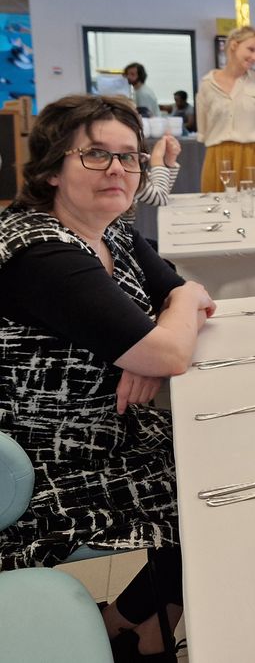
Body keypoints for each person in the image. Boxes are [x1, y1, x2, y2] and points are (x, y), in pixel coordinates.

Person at [0, 94, 215, 657]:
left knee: (231, 454)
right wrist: (150, 344)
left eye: (130, 156)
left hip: (112, 429)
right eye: (96, 154)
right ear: (52, 169)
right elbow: (172, 346)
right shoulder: (39, 252)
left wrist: (154, 333)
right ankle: (141, 631)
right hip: (54, 460)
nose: (118, 169)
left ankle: (131, 625)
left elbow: (183, 291)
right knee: (221, 489)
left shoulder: (111, 231)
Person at [195, 25, 255, 193]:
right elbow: (203, 128)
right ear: (234, 45)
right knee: (216, 206)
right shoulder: (207, 85)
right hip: (218, 157)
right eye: (251, 49)